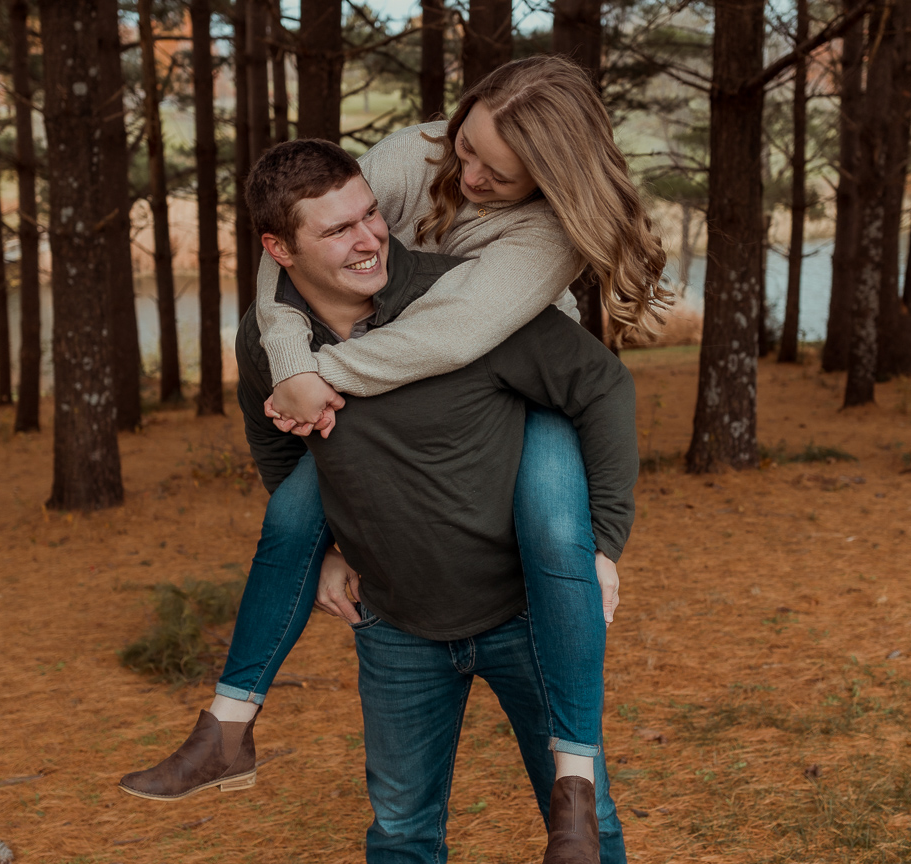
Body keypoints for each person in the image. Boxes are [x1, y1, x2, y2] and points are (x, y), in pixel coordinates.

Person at [119, 55, 666, 807]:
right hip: (374, 360)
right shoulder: (422, 153)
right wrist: (287, 358)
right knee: (292, 516)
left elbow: (452, 334)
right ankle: (227, 727)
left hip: (511, 382)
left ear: (549, 176)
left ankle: (573, 773)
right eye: (467, 147)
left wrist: (320, 375)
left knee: (553, 529)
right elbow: (287, 251)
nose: (467, 175)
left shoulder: (548, 234)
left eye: (496, 174)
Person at [205, 139, 638, 861]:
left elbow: (602, 388)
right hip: (395, 628)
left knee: (587, 832)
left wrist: (602, 542)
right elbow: (277, 442)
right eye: (338, 229)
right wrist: (327, 554)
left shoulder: (472, 301)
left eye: (371, 215)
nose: (370, 237)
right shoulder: (269, 340)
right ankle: (222, 732)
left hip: (526, 616)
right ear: (279, 249)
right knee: (402, 835)